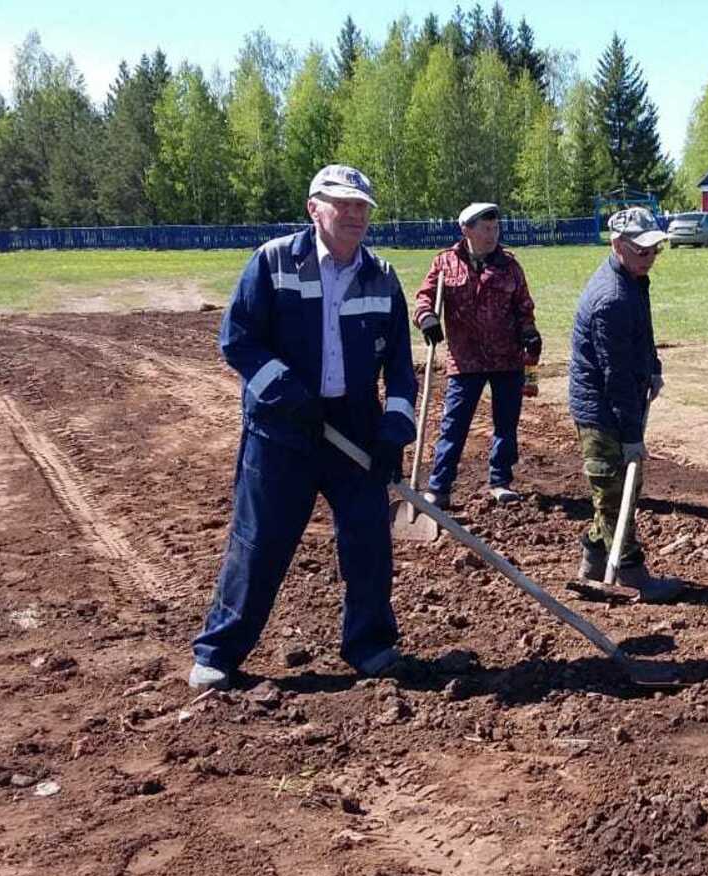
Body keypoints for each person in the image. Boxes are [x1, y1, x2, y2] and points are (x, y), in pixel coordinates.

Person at [188, 164, 417, 690]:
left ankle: (371, 645)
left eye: (362, 207)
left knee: (368, 544)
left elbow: (401, 368)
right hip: (282, 430)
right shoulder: (272, 265)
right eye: (344, 205)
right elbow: (237, 339)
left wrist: (392, 432)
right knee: (260, 542)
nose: (355, 215)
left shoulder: (382, 276)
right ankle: (220, 651)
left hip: (354, 430)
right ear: (315, 208)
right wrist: (285, 392)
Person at [565, 207, 684, 601]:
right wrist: (631, 435)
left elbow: (641, 333)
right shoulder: (611, 298)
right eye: (642, 251)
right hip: (601, 411)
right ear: (618, 245)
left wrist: (652, 366)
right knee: (615, 491)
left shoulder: (634, 278)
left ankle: (594, 561)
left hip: (621, 398)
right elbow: (614, 377)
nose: (650, 258)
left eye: (655, 250)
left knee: (620, 491)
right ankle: (630, 571)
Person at [412, 202, 540, 508]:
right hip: (464, 359)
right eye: (485, 228)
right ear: (466, 229)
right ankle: (439, 486)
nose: (492, 234)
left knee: (505, 425)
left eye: (495, 228)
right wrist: (427, 318)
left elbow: (524, 306)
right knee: (453, 425)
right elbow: (424, 297)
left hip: (507, 359)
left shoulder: (509, 265)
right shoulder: (445, 262)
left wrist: (530, 332)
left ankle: (500, 481)